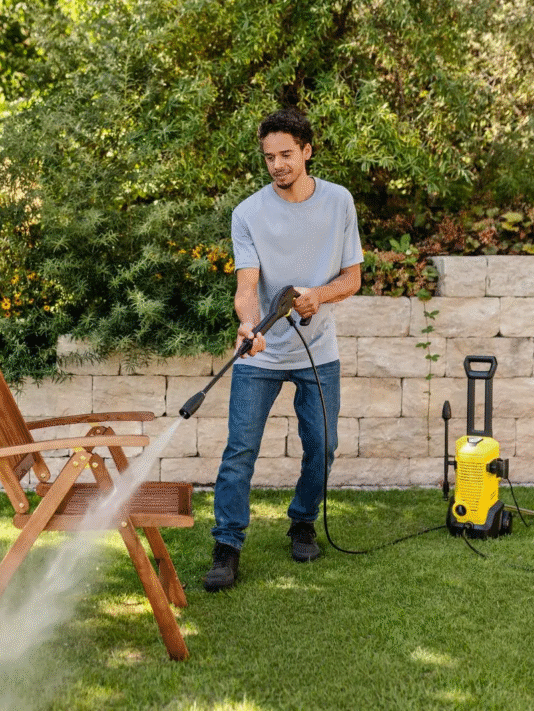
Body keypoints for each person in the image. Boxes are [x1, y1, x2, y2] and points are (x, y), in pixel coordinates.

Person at [203, 107, 363, 592]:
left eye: (286, 154)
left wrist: (320, 296)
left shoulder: (339, 203)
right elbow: (247, 284)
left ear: (307, 151)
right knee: (239, 451)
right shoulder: (248, 213)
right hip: (264, 355)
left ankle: (302, 521)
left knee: (323, 446)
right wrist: (249, 326)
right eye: (269, 156)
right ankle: (228, 544)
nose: (277, 164)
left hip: (319, 350)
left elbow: (352, 277)